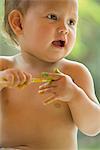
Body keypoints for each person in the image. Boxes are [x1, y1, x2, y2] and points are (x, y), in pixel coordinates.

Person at [0, 0, 100, 149]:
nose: (65, 29)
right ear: (19, 23)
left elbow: (93, 127)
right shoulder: (3, 68)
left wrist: (75, 95)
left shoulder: (75, 73)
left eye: (71, 22)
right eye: (53, 17)